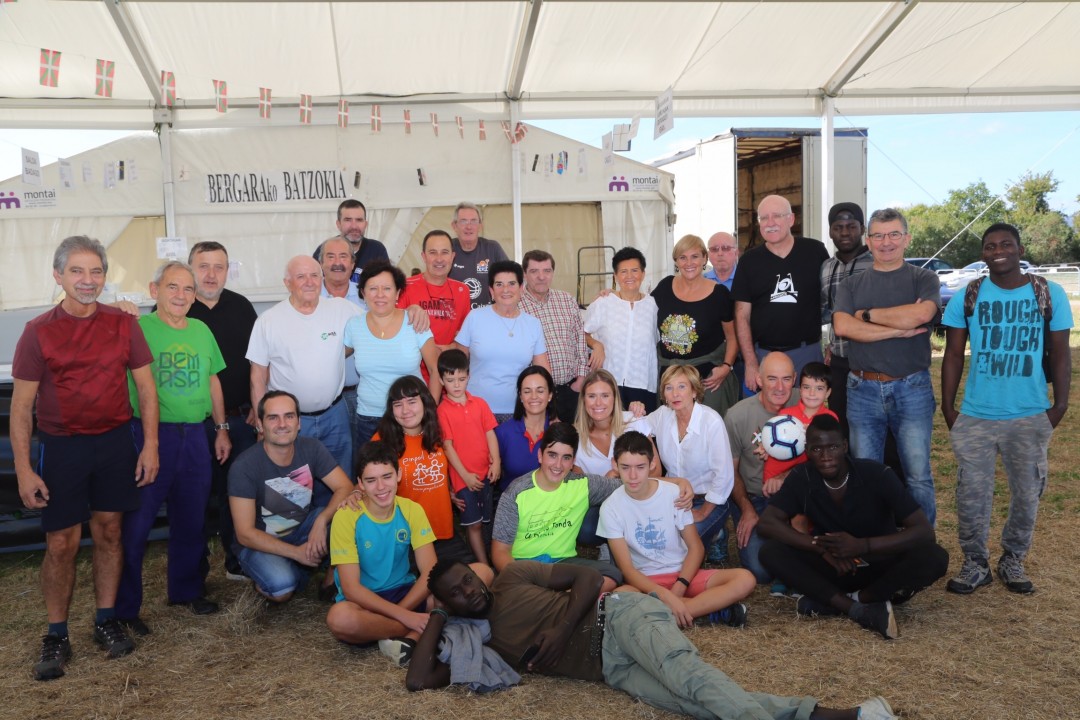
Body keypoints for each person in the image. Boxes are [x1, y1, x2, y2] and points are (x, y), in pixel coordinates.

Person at [409, 560, 901, 720]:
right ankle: (852, 716)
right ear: (449, 604)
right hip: (613, 671)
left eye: (468, 580)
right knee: (697, 702)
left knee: (693, 678)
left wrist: (561, 630)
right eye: (457, 594)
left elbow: (589, 577)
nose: (470, 591)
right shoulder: (482, 645)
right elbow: (420, 680)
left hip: (621, 618)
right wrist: (436, 617)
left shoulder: (514, 577)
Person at [12, 235, 159, 680]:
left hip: (115, 443)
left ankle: (105, 620)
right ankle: (56, 633)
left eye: (96, 271)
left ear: (105, 277)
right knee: (61, 543)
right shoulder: (37, 331)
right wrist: (24, 469)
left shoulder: (123, 324)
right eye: (77, 270)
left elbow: (147, 390)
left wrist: (150, 445)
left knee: (110, 533)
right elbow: (21, 407)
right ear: (58, 275)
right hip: (63, 447)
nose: (87, 280)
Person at [941, 223, 1072, 594]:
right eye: (990, 246)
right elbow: (953, 355)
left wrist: (1059, 406)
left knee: (1028, 494)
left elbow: (1061, 354)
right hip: (976, 415)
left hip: (1029, 414)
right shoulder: (968, 295)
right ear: (983, 253)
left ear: (1020, 249)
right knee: (971, 496)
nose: (998, 251)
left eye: (1006, 244)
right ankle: (975, 563)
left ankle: (1013, 559)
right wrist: (949, 409)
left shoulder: (1049, 293)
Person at [116, 261, 230, 636]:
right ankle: (125, 608)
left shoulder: (201, 330)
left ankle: (186, 590)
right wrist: (116, 308)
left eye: (188, 289)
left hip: (195, 434)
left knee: (192, 518)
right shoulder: (136, 327)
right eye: (172, 287)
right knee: (137, 524)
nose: (181, 295)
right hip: (149, 435)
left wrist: (221, 429)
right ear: (154, 290)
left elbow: (212, 380)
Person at [758, 415, 949, 640]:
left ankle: (852, 600)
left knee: (935, 556)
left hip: (879, 564)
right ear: (807, 451)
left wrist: (863, 545)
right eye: (817, 449)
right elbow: (767, 523)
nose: (826, 456)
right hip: (836, 564)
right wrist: (819, 547)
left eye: (833, 447)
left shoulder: (877, 474)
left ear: (845, 446)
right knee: (771, 551)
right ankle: (856, 609)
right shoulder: (802, 477)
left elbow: (924, 531)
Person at [833, 208, 940, 524]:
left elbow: (921, 315)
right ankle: (873, 540)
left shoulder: (924, 278)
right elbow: (843, 327)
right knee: (865, 474)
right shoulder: (851, 284)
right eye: (878, 235)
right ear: (868, 241)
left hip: (912, 387)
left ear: (907, 238)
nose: (886, 242)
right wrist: (896, 330)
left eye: (894, 234)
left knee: (917, 474)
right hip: (862, 389)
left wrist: (866, 315)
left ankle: (923, 543)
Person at [598, 431, 755, 627]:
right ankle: (709, 611)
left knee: (745, 579)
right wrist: (664, 595)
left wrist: (679, 587)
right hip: (645, 581)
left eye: (640, 467)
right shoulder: (611, 507)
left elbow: (696, 547)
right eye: (625, 467)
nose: (633, 475)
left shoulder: (673, 494)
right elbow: (627, 569)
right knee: (618, 597)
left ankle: (669, 612)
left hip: (684, 574)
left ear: (652, 464)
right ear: (615, 465)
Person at [247, 256, 362, 499]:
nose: (309, 282)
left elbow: (377, 319)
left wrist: (411, 311)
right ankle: (305, 525)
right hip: (290, 422)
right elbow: (257, 376)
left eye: (314, 275)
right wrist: (261, 423)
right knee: (294, 493)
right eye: (301, 277)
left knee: (341, 486)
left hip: (335, 416)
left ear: (322, 279)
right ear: (287, 283)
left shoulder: (341, 309)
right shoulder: (268, 321)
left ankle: (334, 525)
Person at [227, 391, 353, 603]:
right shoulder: (244, 466)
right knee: (282, 588)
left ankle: (330, 579)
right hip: (262, 542)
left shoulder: (312, 448)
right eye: (273, 418)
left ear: (299, 422)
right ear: (260, 425)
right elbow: (245, 534)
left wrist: (321, 521)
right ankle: (288, 570)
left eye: (289, 416)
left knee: (351, 511)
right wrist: (296, 553)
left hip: (303, 528)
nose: (282, 424)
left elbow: (345, 487)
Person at [325, 442, 438, 667]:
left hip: (404, 593)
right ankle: (413, 632)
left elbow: (430, 571)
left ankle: (393, 633)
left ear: (399, 475)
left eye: (387, 476)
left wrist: (402, 610)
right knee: (339, 618)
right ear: (360, 484)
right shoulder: (346, 516)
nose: (380, 487)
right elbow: (351, 589)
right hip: (364, 601)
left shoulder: (412, 510)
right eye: (371, 480)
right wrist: (405, 617)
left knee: (460, 583)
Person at [186, 241, 259, 580]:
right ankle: (193, 570)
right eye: (203, 266)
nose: (211, 274)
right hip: (193, 423)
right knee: (194, 495)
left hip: (241, 419)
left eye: (219, 267)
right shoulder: (178, 308)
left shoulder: (241, 306)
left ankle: (236, 560)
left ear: (228, 271)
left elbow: (259, 360)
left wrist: (258, 405)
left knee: (238, 492)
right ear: (191, 269)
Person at [490, 423, 627, 592]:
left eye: (566, 458)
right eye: (552, 455)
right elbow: (500, 551)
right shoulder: (517, 492)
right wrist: (522, 579)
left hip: (563, 565)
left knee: (611, 575)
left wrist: (622, 473)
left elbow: (631, 485)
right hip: (524, 565)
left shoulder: (583, 485)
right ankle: (564, 598)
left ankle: (556, 598)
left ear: (573, 461)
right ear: (540, 455)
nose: (558, 465)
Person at [732, 194, 829, 391]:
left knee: (808, 410)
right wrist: (750, 363)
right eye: (764, 218)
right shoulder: (749, 261)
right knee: (762, 411)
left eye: (776, 216)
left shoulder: (815, 251)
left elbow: (834, 300)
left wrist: (833, 347)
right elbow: (741, 316)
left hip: (807, 353)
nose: (770, 223)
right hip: (763, 355)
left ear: (791, 219)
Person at [344, 259, 440, 448]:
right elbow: (332, 355)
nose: (380, 295)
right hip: (368, 419)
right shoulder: (354, 326)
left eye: (387, 288)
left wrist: (430, 411)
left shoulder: (415, 322)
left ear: (397, 293)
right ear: (363, 292)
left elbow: (435, 370)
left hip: (411, 418)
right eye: (373, 288)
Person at [643, 365, 734, 561]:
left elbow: (724, 476)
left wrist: (702, 512)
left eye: (682, 386)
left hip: (707, 498)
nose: (675, 394)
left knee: (681, 545)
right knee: (655, 539)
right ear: (664, 394)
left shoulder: (711, 422)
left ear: (694, 391)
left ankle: (717, 533)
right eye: (669, 388)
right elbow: (635, 426)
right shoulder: (662, 414)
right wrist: (636, 410)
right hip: (673, 497)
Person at [371, 376, 463, 561]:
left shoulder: (439, 432)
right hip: (405, 536)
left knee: (477, 575)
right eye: (398, 404)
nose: (405, 410)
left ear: (425, 403)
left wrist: (450, 490)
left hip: (442, 530)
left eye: (412, 402)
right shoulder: (382, 440)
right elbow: (369, 483)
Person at [724, 351, 797, 583]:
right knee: (761, 571)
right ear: (758, 380)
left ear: (794, 379)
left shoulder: (805, 404)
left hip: (795, 497)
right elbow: (730, 472)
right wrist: (747, 509)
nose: (780, 387)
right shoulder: (737, 416)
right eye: (772, 379)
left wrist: (785, 476)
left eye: (786, 379)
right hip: (753, 497)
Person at [652, 234, 740, 416]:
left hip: (707, 379)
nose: (689, 263)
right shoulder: (665, 287)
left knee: (707, 427)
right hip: (670, 377)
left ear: (704, 259)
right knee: (672, 428)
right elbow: (640, 305)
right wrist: (613, 295)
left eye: (695, 256)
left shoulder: (719, 294)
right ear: (676, 261)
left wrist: (726, 367)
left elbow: (732, 337)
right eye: (682, 257)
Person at [454, 260, 550, 422]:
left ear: (521, 288)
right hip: (476, 409)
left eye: (512, 284)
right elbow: (457, 365)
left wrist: (549, 408)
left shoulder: (533, 324)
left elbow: (543, 371)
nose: (506, 290)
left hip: (520, 411)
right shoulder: (475, 318)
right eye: (499, 284)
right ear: (491, 290)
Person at [435, 350, 501, 566]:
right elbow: (447, 447)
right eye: (450, 380)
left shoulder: (480, 404)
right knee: (473, 524)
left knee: (485, 520)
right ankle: (484, 565)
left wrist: (496, 461)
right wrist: (464, 476)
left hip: (484, 473)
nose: (456, 385)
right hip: (463, 478)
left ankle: (486, 558)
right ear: (441, 380)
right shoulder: (442, 411)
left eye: (461, 379)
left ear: (469, 376)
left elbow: (490, 433)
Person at [583, 246, 660, 412]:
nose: (629, 276)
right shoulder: (604, 303)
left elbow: (657, 340)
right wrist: (597, 345)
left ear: (643, 274)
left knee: (641, 427)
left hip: (643, 383)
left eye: (635, 270)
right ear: (615, 276)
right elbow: (582, 332)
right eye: (623, 271)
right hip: (609, 382)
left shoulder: (652, 305)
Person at [819, 203, 874, 432]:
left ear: (862, 229)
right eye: (838, 227)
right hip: (839, 362)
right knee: (840, 425)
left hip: (873, 361)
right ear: (830, 231)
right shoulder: (826, 267)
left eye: (851, 226)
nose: (844, 233)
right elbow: (825, 311)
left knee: (872, 427)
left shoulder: (876, 263)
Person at [520, 249, 590, 422]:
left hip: (570, 389)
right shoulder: (516, 306)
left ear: (552, 273)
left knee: (573, 436)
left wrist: (580, 380)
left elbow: (580, 340)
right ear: (524, 274)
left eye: (547, 271)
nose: (541, 277)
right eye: (534, 271)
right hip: (535, 394)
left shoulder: (567, 300)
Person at [396, 229, 472, 380]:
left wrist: (451, 348)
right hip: (412, 377)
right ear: (423, 256)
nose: (439, 259)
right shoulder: (405, 287)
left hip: (448, 377)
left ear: (453, 256)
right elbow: (393, 332)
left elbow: (465, 336)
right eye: (433, 253)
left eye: (444, 252)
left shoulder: (462, 291)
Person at [761, 362, 838, 497]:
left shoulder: (830, 418)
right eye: (806, 387)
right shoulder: (785, 415)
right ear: (800, 390)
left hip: (808, 482)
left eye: (819, 388)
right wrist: (765, 446)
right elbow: (771, 439)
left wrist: (813, 434)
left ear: (828, 393)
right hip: (774, 479)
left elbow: (830, 453)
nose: (812, 393)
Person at [572, 369, 658, 478]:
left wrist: (621, 476)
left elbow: (656, 472)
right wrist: (606, 482)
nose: (598, 403)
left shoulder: (635, 421)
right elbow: (578, 484)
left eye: (605, 396)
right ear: (583, 400)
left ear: (614, 398)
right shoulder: (575, 436)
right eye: (592, 396)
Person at [494, 365, 557, 488]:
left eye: (540, 391)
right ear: (521, 396)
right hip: (512, 499)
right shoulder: (503, 432)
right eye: (527, 391)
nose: (534, 396)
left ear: (550, 395)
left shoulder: (559, 433)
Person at [448, 202, 509, 308]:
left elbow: (510, 279)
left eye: (474, 221)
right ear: (454, 226)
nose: (469, 227)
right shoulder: (446, 249)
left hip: (488, 315)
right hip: (455, 315)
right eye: (463, 221)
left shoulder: (492, 248)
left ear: (480, 225)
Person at [313, 199, 390, 280]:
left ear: (365, 224)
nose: (354, 226)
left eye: (359, 220)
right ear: (338, 224)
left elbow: (386, 282)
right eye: (348, 220)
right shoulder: (325, 250)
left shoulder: (377, 250)